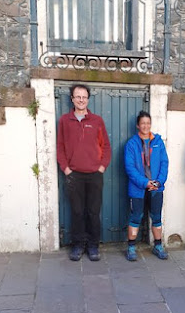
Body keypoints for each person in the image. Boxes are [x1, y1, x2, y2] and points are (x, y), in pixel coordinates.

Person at [57, 84, 111, 262]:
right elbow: (60, 148)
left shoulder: (97, 121)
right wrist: (66, 169)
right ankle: (78, 245)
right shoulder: (65, 121)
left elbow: (106, 147)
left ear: (88, 99)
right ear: (72, 98)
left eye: (84, 97)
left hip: (94, 175)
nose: (81, 100)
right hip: (74, 175)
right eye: (77, 96)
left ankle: (94, 246)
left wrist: (101, 167)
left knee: (93, 212)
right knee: (78, 212)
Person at [124, 110, 169, 261]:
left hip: (156, 188)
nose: (145, 126)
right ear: (138, 125)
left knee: (156, 217)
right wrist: (145, 183)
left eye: (148, 123)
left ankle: (158, 246)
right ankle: (131, 247)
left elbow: (164, 163)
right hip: (138, 188)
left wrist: (158, 182)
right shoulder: (131, 144)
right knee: (136, 217)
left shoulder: (158, 142)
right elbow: (130, 168)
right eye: (143, 123)